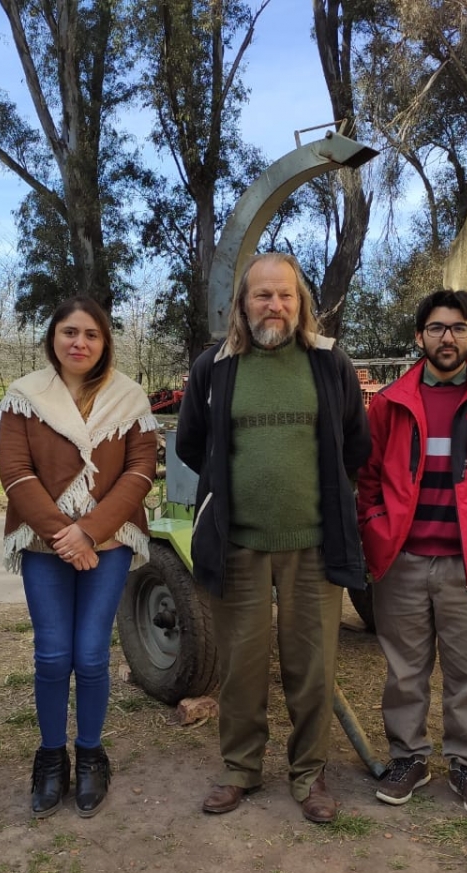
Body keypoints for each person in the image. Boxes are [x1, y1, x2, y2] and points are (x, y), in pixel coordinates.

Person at [176, 252, 371, 824]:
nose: (275, 306)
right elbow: (193, 442)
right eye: (262, 295)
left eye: (285, 295)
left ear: (301, 301)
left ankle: (309, 775)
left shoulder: (328, 363)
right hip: (238, 543)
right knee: (241, 665)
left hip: (313, 542)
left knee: (311, 667)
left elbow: (355, 443)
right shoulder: (214, 366)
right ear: (242, 303)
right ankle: (240, 769)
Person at [357, 289, 467, 815]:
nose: (447, 337)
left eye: (458, 328)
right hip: (403, 562)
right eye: (436, 328)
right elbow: (367, 480)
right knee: (404, 670)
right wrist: (375, 527)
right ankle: (409, 757)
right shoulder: (390, 404)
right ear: (419, 336)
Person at [0, 297, 157, 819]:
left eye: (90, 334)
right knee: (51, 655)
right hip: (44, 544)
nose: (79, 343)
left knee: (89, 655)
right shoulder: (25, 396)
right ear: (53, 339)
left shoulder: (129, 398)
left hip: (108, 543)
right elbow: (15, 471)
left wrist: (88, 532)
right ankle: (50, 757)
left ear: (105, 342)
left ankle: (90, 753)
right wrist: (63, 533)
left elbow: (139, 472)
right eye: (69, 332)